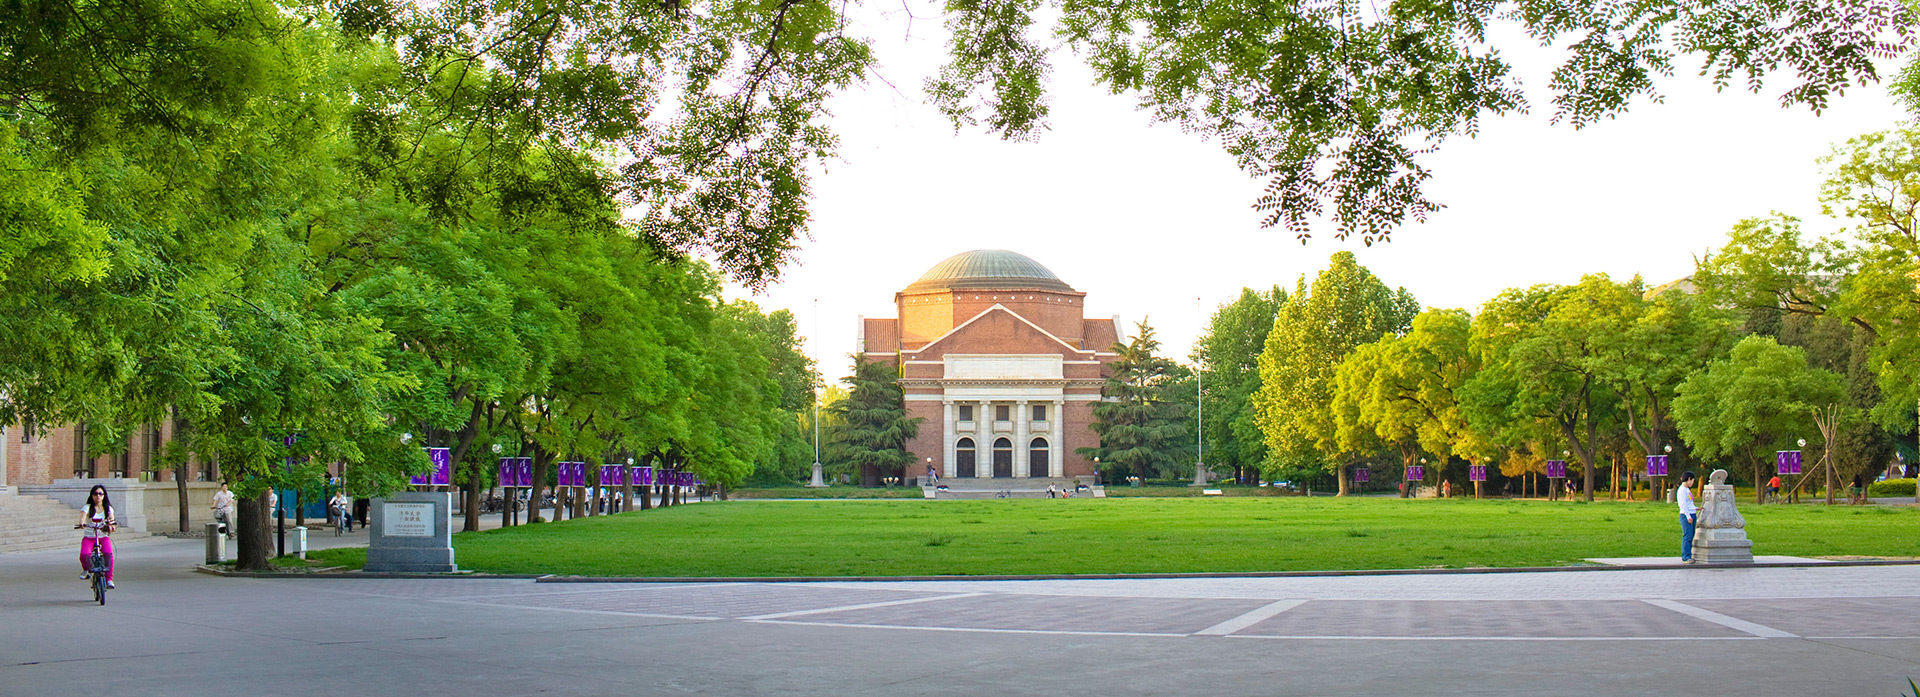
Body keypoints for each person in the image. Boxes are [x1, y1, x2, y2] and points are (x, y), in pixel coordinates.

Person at [77, 484, 116, 588]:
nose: (98, 496)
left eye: (100, 494)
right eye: (95, 494)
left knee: (108, 556)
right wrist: (82, 523)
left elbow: (111, 519)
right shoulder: (87, 507)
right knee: (84, 555)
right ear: (92, 495)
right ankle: (86, 569)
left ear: (104, 496)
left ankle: (109, 580)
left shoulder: (108, 509)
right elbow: (82, 518)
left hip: (103, 537)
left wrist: (110, 524)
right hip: (89, 537)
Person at [1677, 471, 1698, 564]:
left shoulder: (1687, 490)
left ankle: (1689, 555)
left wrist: (1696, 508)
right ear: (1689, 479)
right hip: (1686, 515)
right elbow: (1683, 505)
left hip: (1691, 513)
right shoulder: (1682, 490)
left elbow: (1689, 503)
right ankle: (1685, 557)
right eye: (1692, 481)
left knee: (1691, 535)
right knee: (1687, 536)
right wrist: (1688, 516)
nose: (1693, 483)